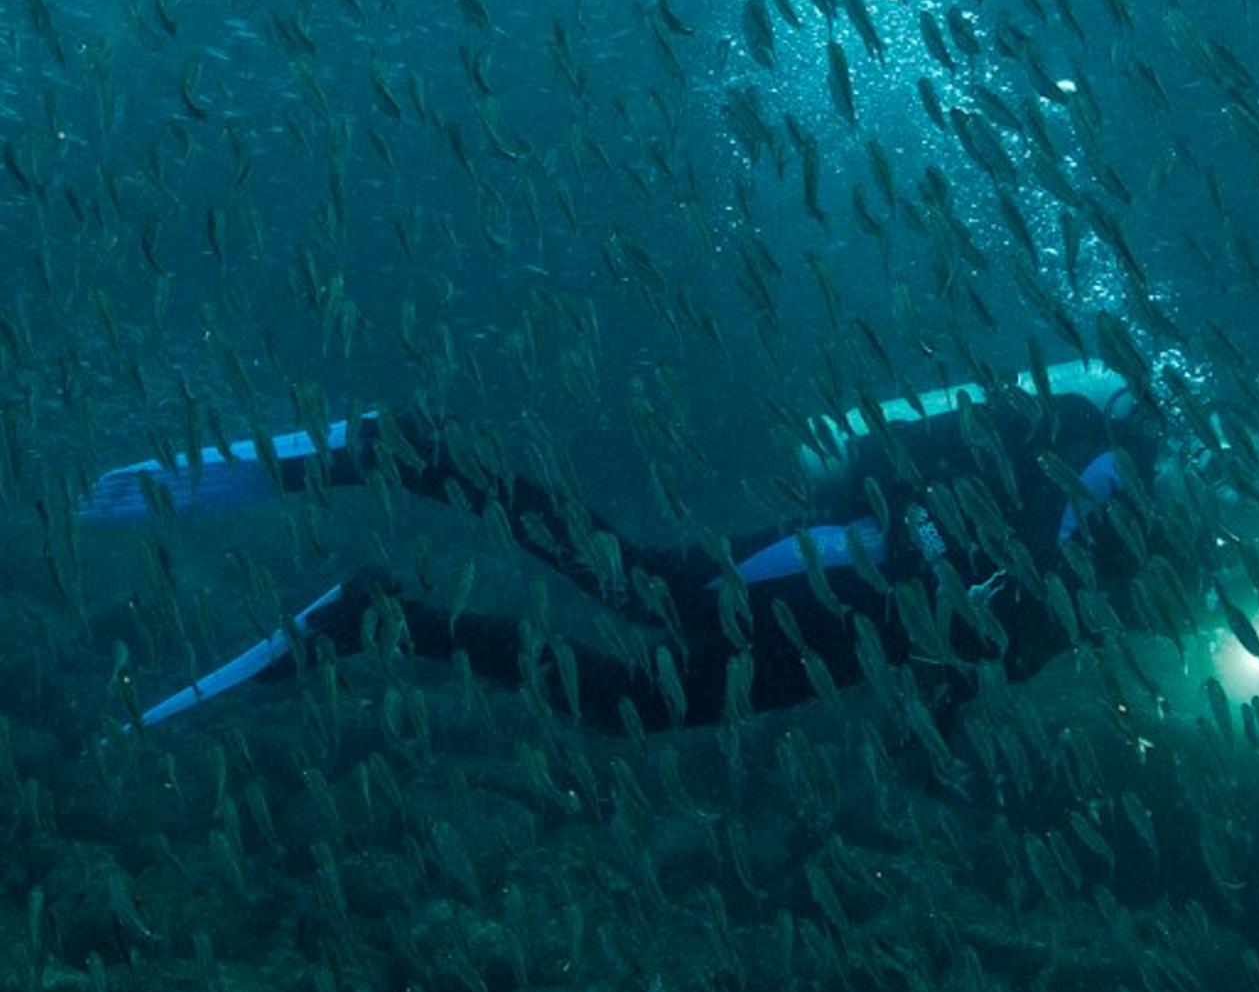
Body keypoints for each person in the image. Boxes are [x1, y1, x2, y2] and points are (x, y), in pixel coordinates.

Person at [82, 360, 1179, 735]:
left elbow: (1011, 637)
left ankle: (381, 616)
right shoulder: (1102, 477)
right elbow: (1019, 580)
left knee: (630, 709)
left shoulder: (1115, 537)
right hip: (835, 575)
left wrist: (946, 709)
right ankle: (404, 448)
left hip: (848, 647)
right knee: (640, 579)